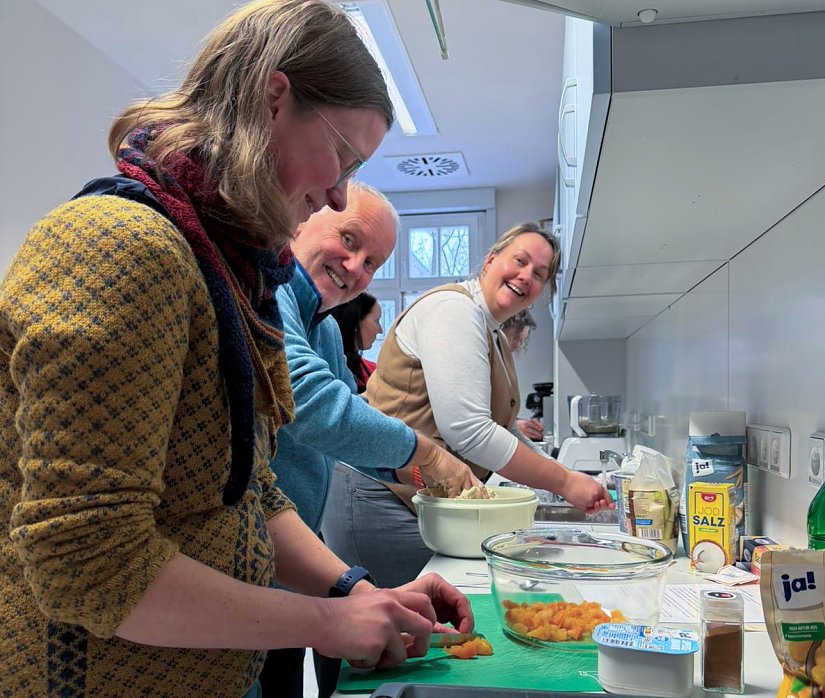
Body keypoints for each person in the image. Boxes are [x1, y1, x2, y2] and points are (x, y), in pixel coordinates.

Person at [0, 3, 474, 697]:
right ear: (271, 97)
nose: (339, 192)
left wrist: (349, 590)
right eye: (342, 155)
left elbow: (249, 487)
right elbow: (90, 564)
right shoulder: (118, 248)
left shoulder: (231, 272)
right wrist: (321, 621)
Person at [262, 181, 483, 697]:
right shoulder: (269, 292)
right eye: (349, 238)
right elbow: (310, 403)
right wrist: (420, 451)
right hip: (253, 563)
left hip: (288, 558)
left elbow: (349, 414)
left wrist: (414, 469)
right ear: (305, 217)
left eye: (374, 263)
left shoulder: (318, 324)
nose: (357, 267)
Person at [322, 223, 614, 588]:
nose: (525, 276)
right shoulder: (453, 310)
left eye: (539, 274)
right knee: (390, 629)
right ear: (490, 261)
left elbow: (501, 429)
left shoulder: (491, 333)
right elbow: (469, 431)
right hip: (376, 494)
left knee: (414, 625)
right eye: (519, 261)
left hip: (414, 495)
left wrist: (555, 475)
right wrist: (565, 481)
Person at [501, 309, 545, 441]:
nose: (519, 345)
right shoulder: (483, 360)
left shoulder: (503, 363)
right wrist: (514, 426)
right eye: (516, 338)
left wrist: (518, 425)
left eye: (522, 341)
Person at [331, 291, 382, 393]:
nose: (380, 330)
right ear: (355, 322)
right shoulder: (327, 370)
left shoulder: (374, 371)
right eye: (376, 321)